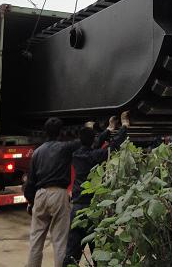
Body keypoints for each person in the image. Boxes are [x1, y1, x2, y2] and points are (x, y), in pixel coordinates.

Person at [63, 112, 130, 267]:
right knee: (98, 253)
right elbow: (114, 146)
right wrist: (124, 126)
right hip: (93, 210)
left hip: (77, 209)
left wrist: (109, 128)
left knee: (72, 252)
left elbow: (94, 143)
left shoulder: (77, 154)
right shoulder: (95, 156)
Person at [25, 118, 81, 267]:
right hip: (58, 194)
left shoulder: (37, 152)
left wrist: (31, 202)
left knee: (35, 240)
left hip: (40, 194)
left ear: (45, 132)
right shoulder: (65, 148)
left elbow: (30, 181)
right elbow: (84, 142)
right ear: (61, 133)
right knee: (60, 241)